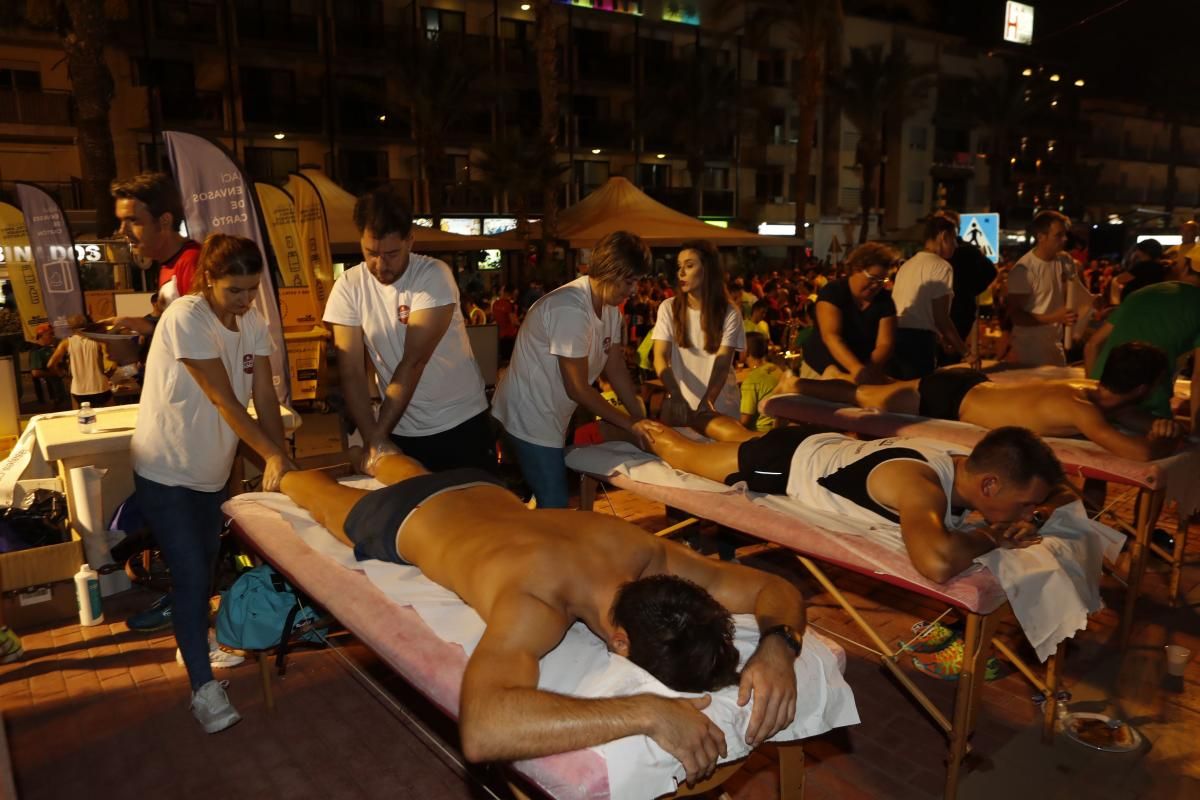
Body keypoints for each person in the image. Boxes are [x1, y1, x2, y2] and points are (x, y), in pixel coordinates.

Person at [276, 449, 805, 784]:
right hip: (402, 516)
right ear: (619, 643)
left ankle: (383, 458)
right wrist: (647, 710)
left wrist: (778, 645)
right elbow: (483, 731)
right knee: (312, 492)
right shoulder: (535, 602)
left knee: (404, 471)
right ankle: (288, 471)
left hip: (476, 483)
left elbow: (775, 587)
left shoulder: (639, 550)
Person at [131, 234, 293, 733]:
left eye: (252, 290)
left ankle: (195, 639)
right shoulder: (186, 318)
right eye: (235, 291)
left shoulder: (253, 322)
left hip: (210, 472)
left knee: (205, 566)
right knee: (192, 577)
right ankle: (203, 689)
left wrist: (283, 457)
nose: (245, 302)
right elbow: (225, 399)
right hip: (166, 468)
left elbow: (265, 396)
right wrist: (267, 453)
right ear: (208, 282)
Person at [612, 421, 1064, 584]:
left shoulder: (966, 466)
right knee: (680, 454)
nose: (1029, 513)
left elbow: (1058, 489)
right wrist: (992, 535)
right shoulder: (922, 487)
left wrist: (1031, 515)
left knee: (738, 437)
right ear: (989, 486)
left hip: (819, 446)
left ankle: (710, 419)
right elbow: (937, 560)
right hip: (782, 463)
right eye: (1026, 504)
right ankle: (643, 419)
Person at [775, 341, 1185, 461]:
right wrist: (1161, 439)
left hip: (969, 385)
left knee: (880, 389)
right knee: (868, 396)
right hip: (951, 398)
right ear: (1142, 388)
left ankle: (805, 383)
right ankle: (801, 386)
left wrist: (1165, 426)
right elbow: (1137, 450)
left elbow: (1137, 423)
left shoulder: (1095, 391)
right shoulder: (1083, 408)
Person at [324, 187, 493, 473]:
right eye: (371, 253)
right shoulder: (348, 286)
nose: (380, 265)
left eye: (391, 254)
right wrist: (373, 437)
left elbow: (414, 362)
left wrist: (376, 437)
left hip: (459, 421)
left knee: (474, 514)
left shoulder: (433, 275)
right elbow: (351, 371)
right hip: (399, 426)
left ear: (410, 241)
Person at [492, 231, 657, 508]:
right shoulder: (569, 308)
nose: (633, 290)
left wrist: (640, 418)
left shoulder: (611, 311)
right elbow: (577, 387)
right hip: (528, 415)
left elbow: (614, 366)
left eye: (637, 281)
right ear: (609, 271)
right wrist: (629, 423)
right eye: (630, 281)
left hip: (555, 413)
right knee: (555, 503)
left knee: (549, 502)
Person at [1084, 264, 1200, 434]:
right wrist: (1196, 433)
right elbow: (1198, 379)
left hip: (1101, 395)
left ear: (1184, 270)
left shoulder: (1143, 292)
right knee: (1168, 440)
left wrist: (1093, 388)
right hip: (1146, 400)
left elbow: (1092, 344)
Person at [652, 240, 745, 426]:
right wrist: (675, 393)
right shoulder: (668, 308)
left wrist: (708, 400)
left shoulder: (729, 312)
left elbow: (722, 364)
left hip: (720, 405)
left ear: (707, 269)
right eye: (679, 266)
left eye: (689, 265)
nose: (681, 273)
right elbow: (659, 356)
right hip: (682, 406)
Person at [799, 242, 897, 384]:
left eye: (882, 280)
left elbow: (885, 344)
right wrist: (857, 369)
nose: (876, 285)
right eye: (872, 278)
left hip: (863, 368)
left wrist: (869, 369)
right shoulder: (833, 292)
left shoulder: (885, 300)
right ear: (857, 268)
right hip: (822, 367)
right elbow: (831, 336)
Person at [891, 216, 967, 379]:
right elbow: (941, 317)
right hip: (919, 342)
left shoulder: (907, 265)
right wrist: (965, 352)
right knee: (919, 395)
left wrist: (941, 337)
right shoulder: (942, 267)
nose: (955, 245)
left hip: (894, 336)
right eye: (954, 239)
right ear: (943, 236)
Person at [1005, 211, 1080, 367]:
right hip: (1029, 350)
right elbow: (1016, 316)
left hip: (1055, 345)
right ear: (1041, 237)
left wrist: (1091, 301)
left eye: (1065, 234)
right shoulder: (1023, 270)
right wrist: (1055, 317)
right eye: (1058, 235)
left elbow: (1074, 291)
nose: (1064, 239)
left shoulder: (1064, 260)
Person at [111, 172, 200, 302]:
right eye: (121, 221)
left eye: (133, 220)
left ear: (165, 221)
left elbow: (198, 321)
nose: (122, 230)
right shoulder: (170, 264)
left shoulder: (192, 263)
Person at [939, 211, 997, 366]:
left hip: (958, 310)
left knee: (948, 358)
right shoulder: (937, 252)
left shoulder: (967, 251)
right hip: (948, 310)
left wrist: (968, 291)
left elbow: (990, 272)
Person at [47, 314, 111, 409]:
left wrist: (62, 375)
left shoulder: (66, 343)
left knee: (80, 418)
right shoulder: (98, 340)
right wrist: (108, 375)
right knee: (108, 417)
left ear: (70, 328)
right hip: (100, 387)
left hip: (78, 390)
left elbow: (50, 364)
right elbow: (111, 362)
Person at [740, 333, 781, 433]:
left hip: (760, 433)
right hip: (779, 428)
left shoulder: (752, 381)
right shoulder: (776, 369)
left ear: (746, 351)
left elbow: (744, 421)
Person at [28, 323, 67, 409]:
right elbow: (35, 373)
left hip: (56, 394)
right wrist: (56, 373)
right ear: (41, 335)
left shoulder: (49, 348)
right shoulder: (36, 351)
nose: (52, 336)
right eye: (50, 334)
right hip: (48, 396)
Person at [491, 285, 520, 362]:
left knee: (502, 361)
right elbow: (514, 322)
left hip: (499, 336)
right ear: (511, 293)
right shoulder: (509, 305)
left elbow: (494, 318)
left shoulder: (495, 304)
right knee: (509, 361)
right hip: (509, 336)